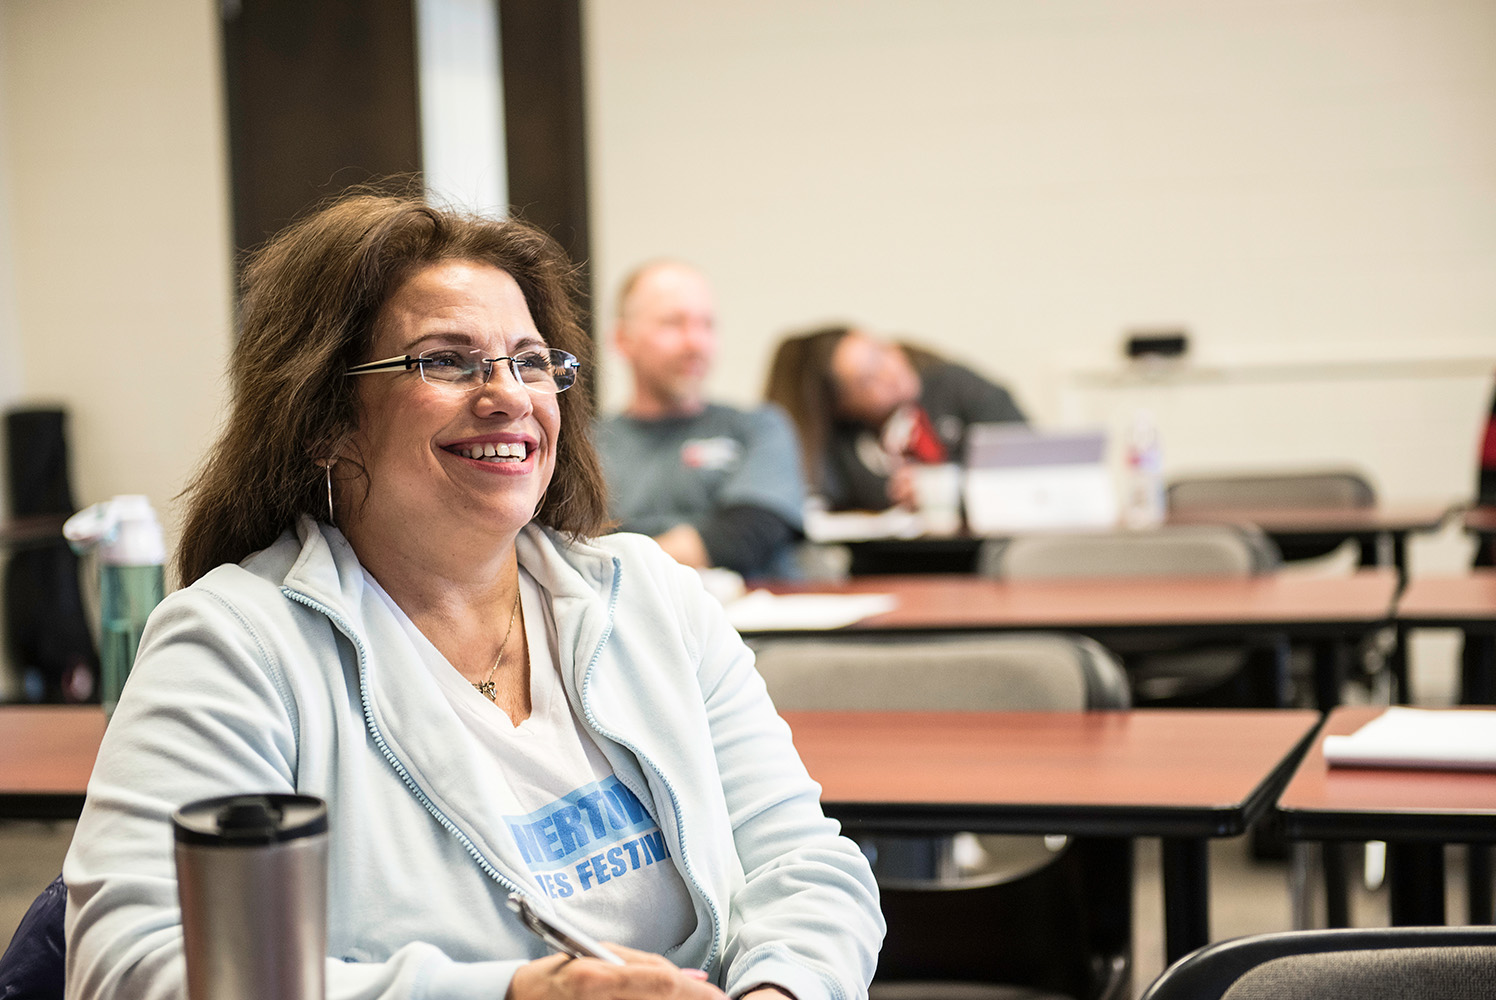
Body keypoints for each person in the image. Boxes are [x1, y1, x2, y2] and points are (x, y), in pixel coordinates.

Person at [62, 195, 882, 1000]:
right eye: (447, 360)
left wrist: (780, 989)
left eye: (532, 361)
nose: (511, 395)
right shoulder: (234, 646)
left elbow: (804, 865)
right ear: (323, 418)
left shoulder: (652, 598)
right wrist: (521, 994)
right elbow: (132, 968)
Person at [596, 261, 805, 578]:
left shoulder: (759, 427)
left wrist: (612, 562)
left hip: (753, 620)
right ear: (623, 339)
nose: (696, 343)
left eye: (707, 325)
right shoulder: (586, 444)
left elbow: (745, 536)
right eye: (672, 323)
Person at [764, 325, 1026, 512]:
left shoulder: (957, 387)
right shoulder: (845, 447)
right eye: (868, 380)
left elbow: (1028, 463)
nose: (890, 372)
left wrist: (949, 487)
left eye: (881, 352)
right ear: (844, 406)